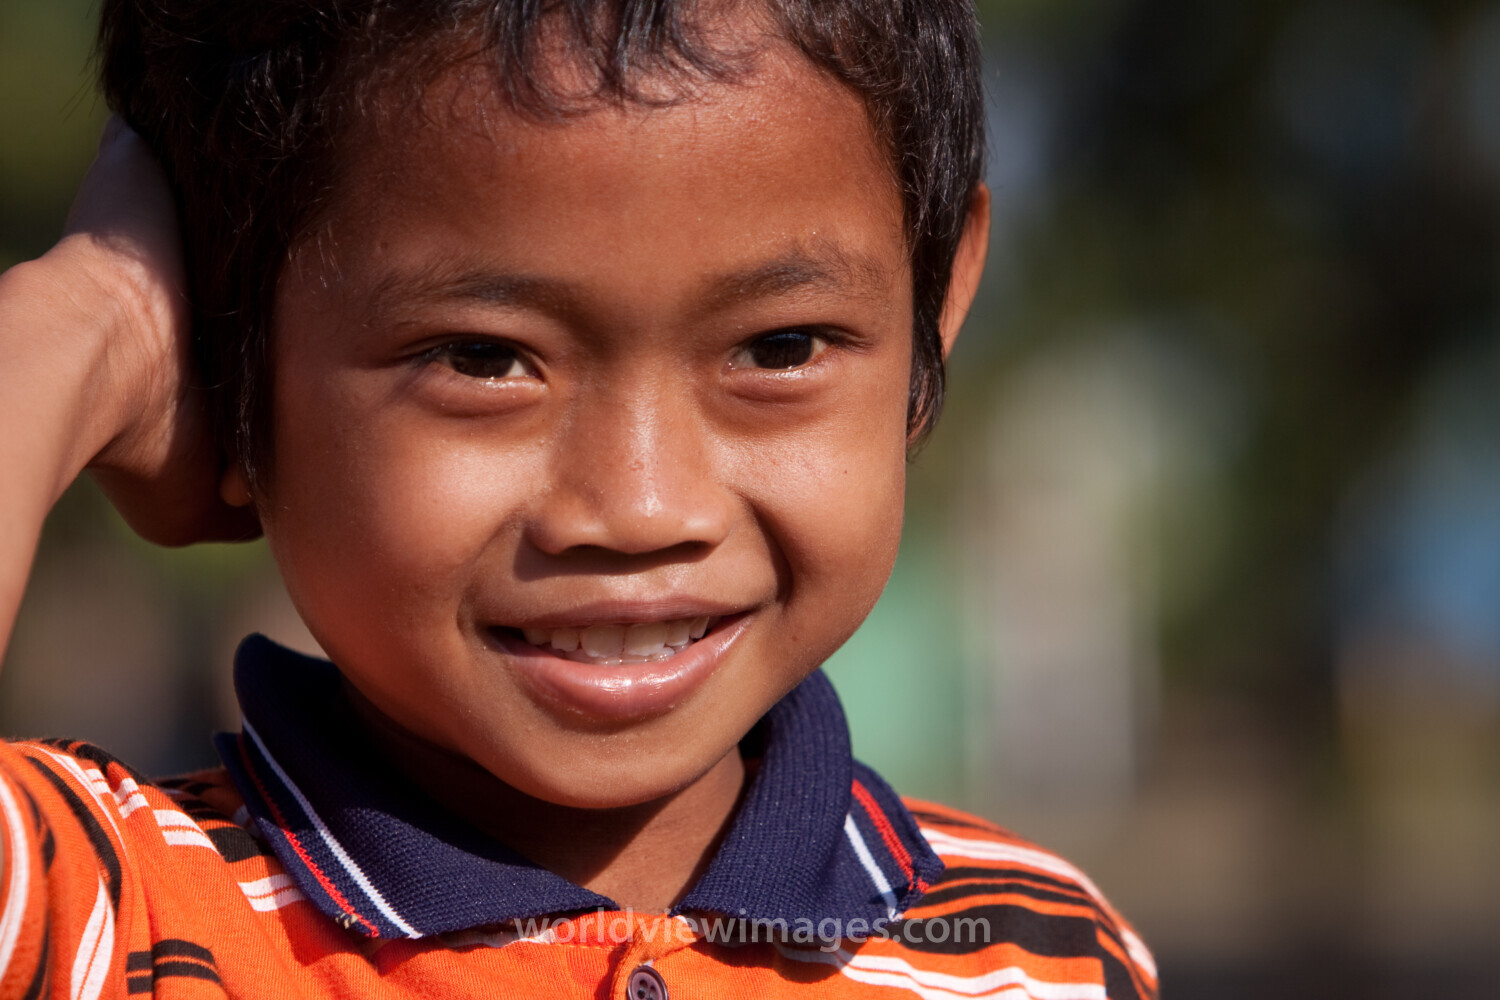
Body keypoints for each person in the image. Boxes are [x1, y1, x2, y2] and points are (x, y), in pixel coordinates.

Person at [0, 1, 1159, 996]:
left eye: (783, 344)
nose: (643, 504)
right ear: (227, 357)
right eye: (482, 359)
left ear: (927, 323)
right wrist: (88, 317)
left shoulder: (1035, 955)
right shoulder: (116, 920)